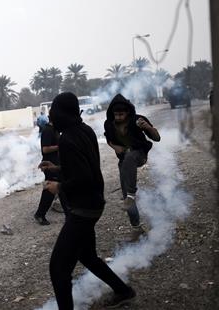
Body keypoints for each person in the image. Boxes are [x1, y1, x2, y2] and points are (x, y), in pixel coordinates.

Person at [39, 92, 136, 309]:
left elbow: (83, 177)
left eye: (54, 112)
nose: (52, 117)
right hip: (93, 203)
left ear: (62, 113)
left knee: (58, 269)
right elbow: (86, 167)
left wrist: (59, 186)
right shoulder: (85, 130)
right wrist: (56, 168)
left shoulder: (66, 139)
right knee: (87, 256)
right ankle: (124, 291)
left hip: (82, 210)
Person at [104, 94, 160, 241]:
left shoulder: (137, 120)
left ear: (128, 112)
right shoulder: (109, 124)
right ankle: (137, 228)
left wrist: (147, 127)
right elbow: (109, 140)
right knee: (126, 198)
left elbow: (157, 137)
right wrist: (116, 147)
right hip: (124, 161)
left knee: (130, 159)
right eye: (116, 114)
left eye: (121, 114)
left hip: (139, 155)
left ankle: (131, 194)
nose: (118, 117)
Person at [34, 119, 64, 225]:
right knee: (49, 191)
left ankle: (68, 211)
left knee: (60, 188)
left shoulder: (55, 129)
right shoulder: (48, 130)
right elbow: (45, 149)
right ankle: (40, 214)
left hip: (56, 164)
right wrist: (61, 146)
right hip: (49, 164)